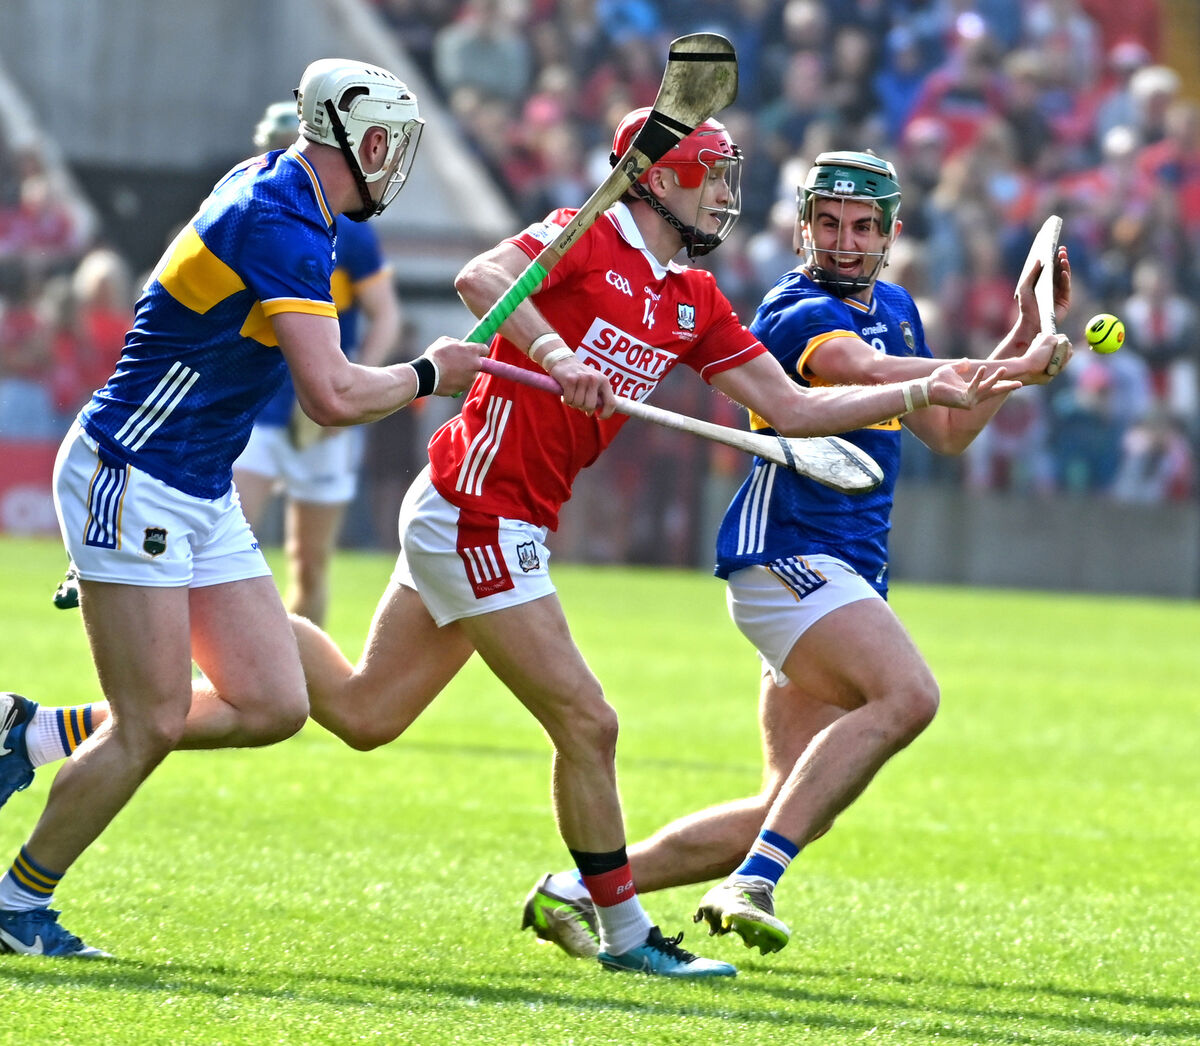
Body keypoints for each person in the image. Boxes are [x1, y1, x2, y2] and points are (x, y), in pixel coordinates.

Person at [3, 114, 1022, 975]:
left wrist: (925, 387)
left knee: (360, 708)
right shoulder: (592, 236)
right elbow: (488, 275)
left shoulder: (694, 300)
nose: (725, 201)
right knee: (589, 719)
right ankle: (622, 930)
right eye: (709, 182)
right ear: (656, 183)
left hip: (498, 515)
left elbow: (795, 407)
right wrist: (552, 347)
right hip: (475, 508)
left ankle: (51, 725)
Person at [520, 149, 1072, 959]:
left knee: (782, 803)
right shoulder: (795, 308)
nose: (843, 242)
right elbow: (864, 371)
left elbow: (948, 430)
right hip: (787, 555)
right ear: (804, 226)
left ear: (890, 233)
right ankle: (754, 883)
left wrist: (1022, 340)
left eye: (862, 226)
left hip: (845, 567)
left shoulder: (897, 305)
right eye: (827, 223)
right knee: (909, 696)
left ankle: (574, 890)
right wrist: (1008, 362)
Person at [0, 58, 484, 959]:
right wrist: (429, 375)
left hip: (193, 482)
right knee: (150, 722)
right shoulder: (281, 218)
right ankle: (18, 905)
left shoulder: (285, 194)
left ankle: (30, 733)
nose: (396, 161)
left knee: (271, 703)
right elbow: (332, 396)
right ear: (359, 138)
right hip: (135, 469)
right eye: (391, 142)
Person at [233, 101, 403, 626]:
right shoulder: (245, 213)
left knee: (310, 565)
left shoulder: (349, 233)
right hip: (256, 409)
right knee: (228, 553)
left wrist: (353, 387)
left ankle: (297, 694)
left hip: (321, 414)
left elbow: (387, 318)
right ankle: (216, 681)